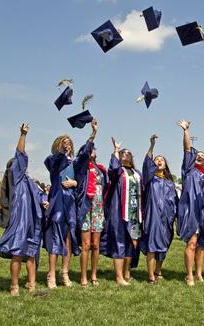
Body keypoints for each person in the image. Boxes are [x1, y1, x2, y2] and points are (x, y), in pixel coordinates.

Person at [0, 123, 48, 296]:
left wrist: (43, 202)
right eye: (17, 164)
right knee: (17, 252)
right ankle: (14, 286)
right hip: (19, 221)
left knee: (31, 254)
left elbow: (40, 195)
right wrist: (23, 135)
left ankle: (31, 285)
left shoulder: (29, 181)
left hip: (32, 222)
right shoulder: (15, 179)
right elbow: (21, 154)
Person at [43, 120, 97, 289]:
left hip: (71, 202)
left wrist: (93, 133)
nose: (67, 144)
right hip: (58, 200)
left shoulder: (74, 162)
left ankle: (64, 273)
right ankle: (51, 275)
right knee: (55, 237)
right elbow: (55, 164)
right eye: (63, 142)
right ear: (58, 145)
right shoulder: (53, 160)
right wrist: (61, 151)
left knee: (68, 238)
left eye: (69, 143)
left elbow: (84, 157)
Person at [177, 120, 204, 286]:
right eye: (197, 155)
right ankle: (189, 275)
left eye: (202, 156)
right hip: (191, 210)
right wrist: (186, 131)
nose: (199, 156)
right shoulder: (189, 170)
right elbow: (187, 149)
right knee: (191, 243)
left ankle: (199, 273)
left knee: (201, 245)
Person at [100, 137, 142, 285]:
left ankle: (127, 273)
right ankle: (119, 277)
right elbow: (112, 168)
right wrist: (116, 150)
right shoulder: (118, 172)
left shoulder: (137, 173)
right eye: (123, 153)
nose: (125, 154)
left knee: (132, 243)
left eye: (127, 153)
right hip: (119, 212)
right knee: (119, 242)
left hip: (134, 213)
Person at [140, 134, 178, 284]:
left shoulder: (169, 182)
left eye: (161, 160)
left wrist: (174, 217)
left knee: (164, 245)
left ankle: (158, 270)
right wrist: (152, 146)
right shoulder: (150, 180)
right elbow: (146, 164)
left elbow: (175, 200)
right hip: (153, 216)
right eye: (157, 160)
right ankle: (150, 276)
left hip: (167, 219)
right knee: (152, 245)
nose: (159, 161)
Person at [75, 145, 108, 287]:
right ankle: (83, 277)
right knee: (86, 245)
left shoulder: (100, 169)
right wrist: (93, 134)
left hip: (98, 209)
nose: (93, 151)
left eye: (94, 149)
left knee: (95, 245)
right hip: (86, 208)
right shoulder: (82, 167)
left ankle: (93, 275)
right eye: (90, 150)